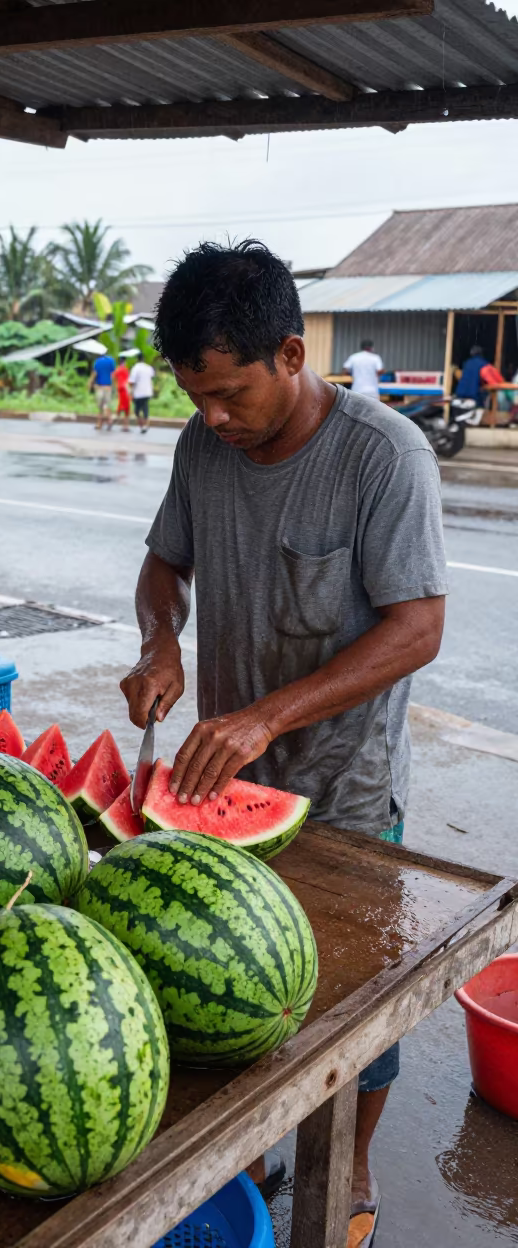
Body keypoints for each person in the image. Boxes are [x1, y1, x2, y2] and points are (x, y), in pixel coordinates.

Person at [120, 241, 446, 1248]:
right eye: (196, 397)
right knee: (237, 988)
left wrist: (268, 715)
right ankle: (249, 1153)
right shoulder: (199, 444)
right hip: (225, 784)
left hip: (344, 790)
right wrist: (160, 640)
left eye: (228, 394)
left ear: (292, 353)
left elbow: (418, 628)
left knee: (355, 1013)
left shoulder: (381, 455)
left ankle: (343, 1160)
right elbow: (162, 564)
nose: (212, 418)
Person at [89, 351, 116, 431]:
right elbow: (113, 374)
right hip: (108, 387)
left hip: (100, 387)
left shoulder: (97, 362)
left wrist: (90, 383)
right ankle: (109, 420)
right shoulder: (111, 361)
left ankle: (99, 424)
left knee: (100, 407)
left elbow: (94, 373)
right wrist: (113, 386)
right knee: (107, 405)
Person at [129, 352, 156, 432]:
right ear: (143, 359)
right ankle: (145, 425)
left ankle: (142, 425)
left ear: (137, 359)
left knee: (137, 411)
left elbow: (131, 382)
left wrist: (131, 392)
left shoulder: (135, 368)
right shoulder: (149, 368)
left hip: (138, 393)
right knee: (145, 409)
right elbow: (152, 377)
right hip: (147, 392)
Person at [112, 354, 132, 430]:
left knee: (121, 406)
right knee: (126, 408)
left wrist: (116, 387)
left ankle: (114, 420)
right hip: (125, 390)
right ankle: (125, 425)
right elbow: (127, 381)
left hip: (120, 389)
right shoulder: (125, 370)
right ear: (124, 362)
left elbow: (113, 378)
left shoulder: (117, 370)